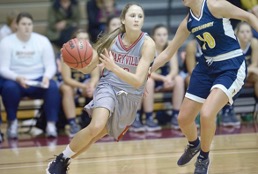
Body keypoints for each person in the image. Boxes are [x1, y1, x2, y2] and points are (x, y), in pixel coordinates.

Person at [150, 0, 258, 173]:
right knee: (183, 119)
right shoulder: (188, 22)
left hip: (230, 65)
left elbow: (248, 16)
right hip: (206, 66)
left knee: (207, 113)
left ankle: (203, 158)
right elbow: (168, 53)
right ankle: (194, 145)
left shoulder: (216, 5)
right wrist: (146, 70)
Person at [46, 3, 156, 173]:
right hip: (109, 86)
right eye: (132, 15)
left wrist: (114, 67)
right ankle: (61, 159)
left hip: (131, 95)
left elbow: (137, 81)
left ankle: (63, 160)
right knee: (96, 126)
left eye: (140, 16)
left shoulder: (147, 44)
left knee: (95, 136)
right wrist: (70, 60)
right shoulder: (111, 40)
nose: (136, 19)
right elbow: (87, 68)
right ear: (123, 20)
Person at [0, 12, 60, 139]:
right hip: (16, 80)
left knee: (53, 87)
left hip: (38, 79)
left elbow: (50, 66)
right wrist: (17, 77)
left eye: (29, 24)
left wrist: (47, 77)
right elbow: (3, 68)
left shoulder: (42, 41)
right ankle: (13, 123)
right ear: (16, 25)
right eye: (23, 24)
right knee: (8, 88)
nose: (27, 27)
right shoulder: (6, 42)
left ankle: (50, 125)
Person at [130, 24, 184, 132]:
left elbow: (174, 69)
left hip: (164, 79)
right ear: (153, 37)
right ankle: (149, 118)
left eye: (164, 34)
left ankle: (175, 116)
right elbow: (145, 71)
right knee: (148, 82)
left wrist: (169, 77)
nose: (162, 37)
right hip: (150, 77)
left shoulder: (170, 45)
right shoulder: (148, 46)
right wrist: (163, 79)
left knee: (179, 79)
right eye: (159, 35)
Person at [185, 39, 240, 127]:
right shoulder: (192, 46)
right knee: (190, 79)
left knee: (225, 81)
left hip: (217, 74)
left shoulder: (219, 42)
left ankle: (227, 110)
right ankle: (195, 113)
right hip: (199, 75)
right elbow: (191, 70)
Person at [56, 29, 99, 137]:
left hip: (85, 82)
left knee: (99, 87)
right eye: (81, 39)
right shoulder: (66, 54)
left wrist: (91, 85)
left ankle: (96, 122)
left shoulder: (93, 53)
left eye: (86, 39)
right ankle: (72, 123)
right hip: (71, 83)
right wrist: (83, 86)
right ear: (74, 41)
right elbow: (66, 79)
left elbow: (95, 76)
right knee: (67, 89)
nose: (84, 41)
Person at [235, 22, 258, 98]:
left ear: (251, 33)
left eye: (248, 31)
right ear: (237, 33)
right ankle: (227, 108)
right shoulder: (233, 44)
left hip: (248, 73)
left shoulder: (254, 43)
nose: (245, 34)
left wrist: (248, 71)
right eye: (242, 32)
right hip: (235, 74)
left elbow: (255, 63)